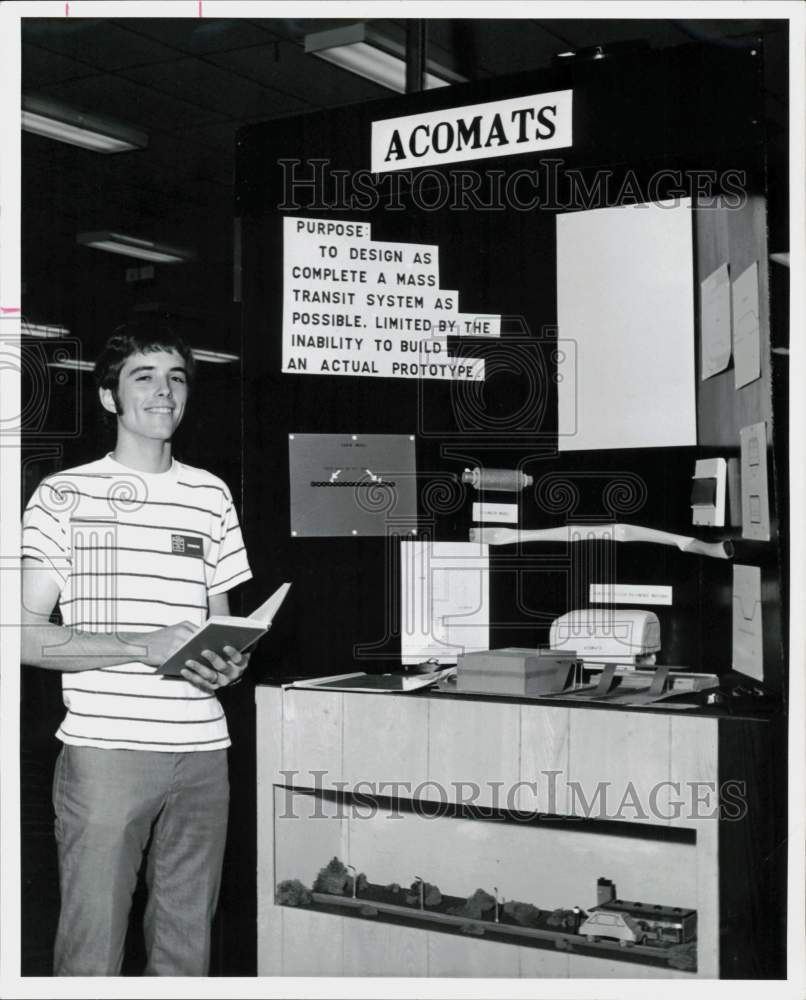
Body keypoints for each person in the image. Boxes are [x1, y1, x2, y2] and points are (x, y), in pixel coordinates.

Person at [20, 321, 252, 976]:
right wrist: (141, 647)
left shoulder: (210, 495)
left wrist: (228, 661)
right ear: (108, 398)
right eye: (142, 377)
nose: (163, 391)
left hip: (205, 754)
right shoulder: (65, 495)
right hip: (106, 752)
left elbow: (219, 627)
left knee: (187, 950)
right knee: (92, 952)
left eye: (176, 377)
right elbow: (23, 637)